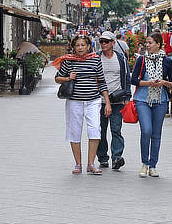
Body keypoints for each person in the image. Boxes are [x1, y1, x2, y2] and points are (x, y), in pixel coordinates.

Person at [54, 35, 111, 175]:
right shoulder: (68, 61)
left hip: (93, 100)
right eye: (77, 45)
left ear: (88, 46)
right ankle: (78, 163)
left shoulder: (95, 60)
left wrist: (107, 103)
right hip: (74, 101)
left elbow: (102, 81)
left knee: (95, 131)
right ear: (73, 47)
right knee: (74, 131)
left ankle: (91, 164)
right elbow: (57, 78)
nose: (80, 48)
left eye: (83, 45)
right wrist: (68, 78)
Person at [131, 33, 172, 178]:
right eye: (146, 43)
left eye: (150, 43)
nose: (147, 45)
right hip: (142, 99)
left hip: (161, 100)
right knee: (146, 130)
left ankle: (153, 165)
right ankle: (144, 163)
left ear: (158, 44)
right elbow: (133, 80)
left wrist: (163, 82)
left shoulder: (167, 61)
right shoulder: (141, 60)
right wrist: (148, 83)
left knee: (156, 134)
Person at [96, 31, 131, 170]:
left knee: (116, 130)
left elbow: (127, 77)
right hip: (99, 101)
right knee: (100, 131)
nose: (103, 44)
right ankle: (103, 158)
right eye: (101, 41)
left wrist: (127, 97)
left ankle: (117, 157)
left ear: (113, 43)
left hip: (117, 100)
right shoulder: (97, 57)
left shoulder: (121, 58)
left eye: (106, 41)